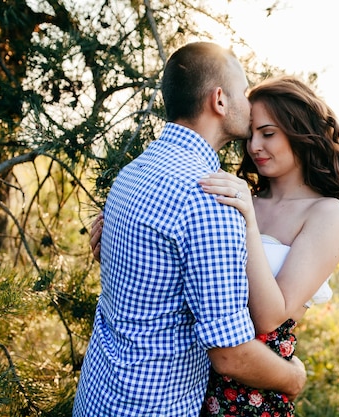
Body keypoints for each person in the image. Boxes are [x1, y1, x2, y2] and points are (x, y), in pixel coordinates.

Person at [73, 42, 306, 417]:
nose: (249, 105)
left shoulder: (130, 175)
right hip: (151, 407)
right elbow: (230, 355)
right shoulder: (209, 198)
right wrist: (294, 379)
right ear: (219, 100)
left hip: (97, 397)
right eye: (244, 93)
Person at [196, 75, 339, 416]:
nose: (255, 146)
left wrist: (250, 223)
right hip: (192, 379)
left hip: (253, 391)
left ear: (301, 132)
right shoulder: (243, 198)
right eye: (250, 134)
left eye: (268, 133)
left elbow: (270, 316)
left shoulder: (325, 213)